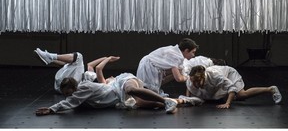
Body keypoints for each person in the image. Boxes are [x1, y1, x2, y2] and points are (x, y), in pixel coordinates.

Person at [34, 50, 182, 116]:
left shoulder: (85, 87)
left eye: (69, 92)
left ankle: (167, 101)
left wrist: (52, 109)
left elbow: (70, 101)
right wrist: (107, 58)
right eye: (66, 94)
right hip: (119, 95)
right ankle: (178, 101)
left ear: (74, 87)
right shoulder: (90, 85)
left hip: (122, 83)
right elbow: (93, 67)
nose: (69, 96)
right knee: (146, 104)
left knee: (131, 90)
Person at [186, 65, 282, 109]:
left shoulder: (215, 75)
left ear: (202, 78)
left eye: (196, 82)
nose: (194, 84)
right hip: (216, 85)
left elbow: (231, 87)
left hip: (229, 74)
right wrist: (188, 99)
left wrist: (227, 103)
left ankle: (271, 89)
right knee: (208, 99)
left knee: (241, 94)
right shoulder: (191, 81)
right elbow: (189, 89)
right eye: (192, 81)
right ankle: (232, 97)